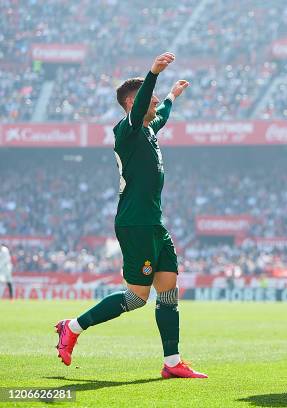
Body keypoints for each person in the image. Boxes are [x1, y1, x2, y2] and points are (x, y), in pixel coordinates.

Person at [55, 52, 207, 378]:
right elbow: (143, 111)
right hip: (135, 222)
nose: (153, 105)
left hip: (153, 222)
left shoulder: (148, 131)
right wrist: (153, 72)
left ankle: (172, 363)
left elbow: (160, 114)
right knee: (137, 298)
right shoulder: (126, 130)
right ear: (131, 104)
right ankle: (72, 326)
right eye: (147, 101)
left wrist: (171, 96)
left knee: (168, 289)